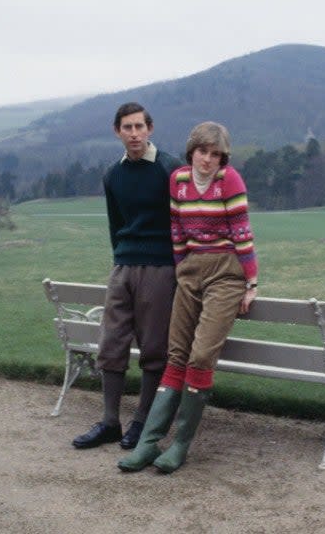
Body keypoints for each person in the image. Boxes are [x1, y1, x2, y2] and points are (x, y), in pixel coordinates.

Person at [118, 121, 258, 473]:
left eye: (215, 154)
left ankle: (179, 445)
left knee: (199, 357)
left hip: (226, 273)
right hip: (191, 270)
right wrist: (183, 268)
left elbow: (242, 232)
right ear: (191, 151)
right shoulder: (178, 180)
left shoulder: (230, 180)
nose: (208, 160)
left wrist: (251, 282)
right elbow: (177, 229)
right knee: (175, 355)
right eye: (202, 152)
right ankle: (148, 444)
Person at [71, 102, 182, 450]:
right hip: (123, 267)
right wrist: (121, 259)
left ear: (150, 128)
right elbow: (115, 225)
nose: (133, 134)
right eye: (127, 128)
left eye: (139, 127)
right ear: (117, 131)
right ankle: (109, 422)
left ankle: (141, 421)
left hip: (161, 268)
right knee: (112, 342)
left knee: (153, 347)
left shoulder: (170, 169)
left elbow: (183, 223)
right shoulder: (112, 175)